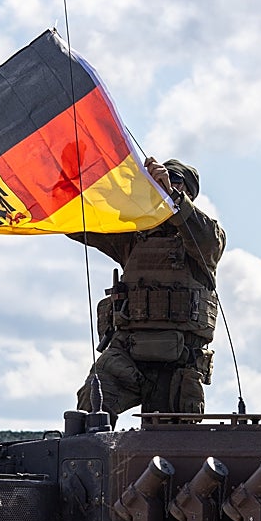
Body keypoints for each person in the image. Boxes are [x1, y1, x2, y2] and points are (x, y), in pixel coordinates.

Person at [71, 157, 225, 422]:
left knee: (168, 441)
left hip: (178, 362)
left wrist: (173, 197)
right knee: (90, 413)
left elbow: (206, 238)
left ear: (187, 192)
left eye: (173, 181)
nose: (161, 187)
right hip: (126, 355)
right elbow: (79, 222)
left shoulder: (204, 237)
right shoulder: (133, 237)